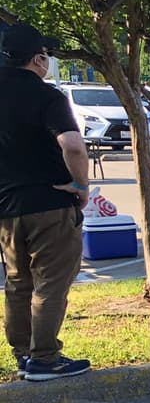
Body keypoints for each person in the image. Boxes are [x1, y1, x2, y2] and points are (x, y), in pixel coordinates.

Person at [0, 23, 92, 381]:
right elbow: (73, 146)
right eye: (47, 55)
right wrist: (80, 185)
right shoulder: (47, 97)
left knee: (17, 282)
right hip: (50, 202)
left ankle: (23, 354)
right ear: (37, 59)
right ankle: (45, 358)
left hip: (7, 207)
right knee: (51, 282)